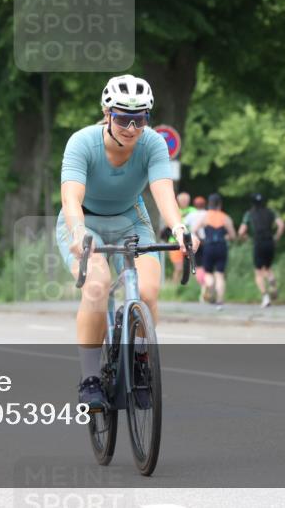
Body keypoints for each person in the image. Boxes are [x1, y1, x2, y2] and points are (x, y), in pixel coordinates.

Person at [57, 74, 198, 410]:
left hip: (131, 220)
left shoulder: (153, 144)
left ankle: (138, 359)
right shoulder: (82, 142)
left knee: (147, 292)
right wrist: (79, 233)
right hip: (83, 221)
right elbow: (71, 198)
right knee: (97, 285)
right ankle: (90, 379)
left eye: (139, 119)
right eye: (122, 118)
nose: (131, 128)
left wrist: (179, 229)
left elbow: (164, 192)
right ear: (107, 113)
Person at [238, 193, 285, 308]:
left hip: (258, 242)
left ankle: (265, 297)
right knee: (267, 268)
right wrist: (276, 237)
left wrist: (248, 239)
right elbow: (281, 225)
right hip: (270, 242)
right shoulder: (271, 212)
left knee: (258, 272)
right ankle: (272, 280)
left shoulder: (249, 214)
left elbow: (241, 231)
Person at [191, 193, 236, 310]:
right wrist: (225, 237)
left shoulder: (205, 217)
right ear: (220, 204)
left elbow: (194, 229)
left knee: (208, 273)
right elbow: (232, 235)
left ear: (209, 204)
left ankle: (210, 286)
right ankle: (220, 301)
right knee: (220, 275)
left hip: (208, 246)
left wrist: (201, 240)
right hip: (221, 246)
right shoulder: (225, 217)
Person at [185, 196, 209, 290]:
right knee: (207, 265)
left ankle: (203, 286)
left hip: (194, 242)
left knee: (198, 265)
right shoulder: (207, 214)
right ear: (205, 204)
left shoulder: (191, 214)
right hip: (206, 241)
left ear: (195, 205)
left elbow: (185, 225)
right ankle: (208, 283)